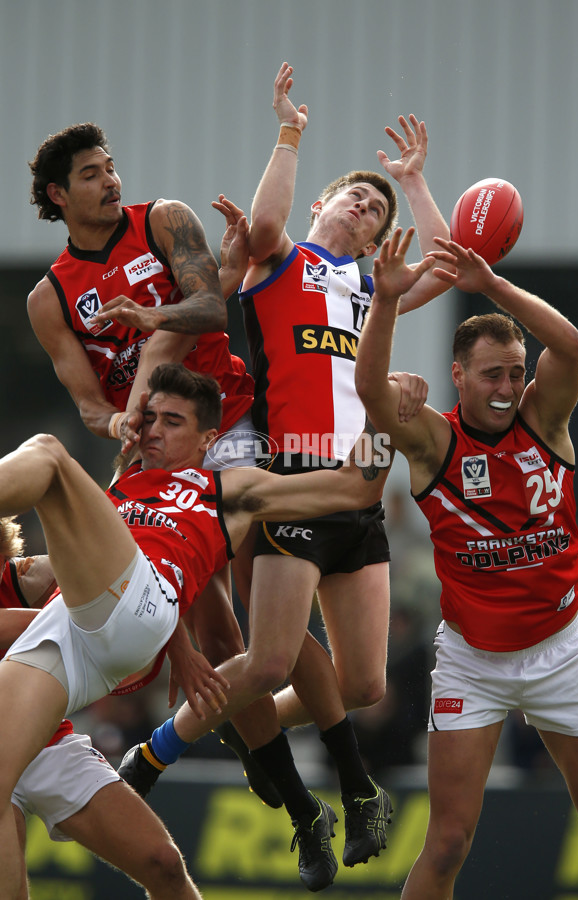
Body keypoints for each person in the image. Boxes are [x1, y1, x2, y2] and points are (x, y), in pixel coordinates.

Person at [118, 59, 449, 874]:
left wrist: (411, 182)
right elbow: (263, 228)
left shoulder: (377, 288)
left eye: (375, 208)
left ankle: (235, 718)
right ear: (321, 206)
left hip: (362, 484)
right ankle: (157, 752)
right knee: (266, 660)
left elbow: (450, 261)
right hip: (293, 475)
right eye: (355, 194)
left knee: (365, 685)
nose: (366, 206)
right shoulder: (284, 264)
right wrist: (290, 132)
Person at [0, 347, 409, 898]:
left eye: (173, 423)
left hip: (134, 611)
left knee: (49, 454)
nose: (153, 432)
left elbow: (354, 488)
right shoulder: (121, 487)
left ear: (208, 440)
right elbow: (75, 569)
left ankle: (322, 794)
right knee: (151, 859)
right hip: (75, 629)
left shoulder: (229, 489)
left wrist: (383, 415)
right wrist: (181, 651)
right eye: (149, 420)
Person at [25, 122, 281, 804]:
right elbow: (86, 402)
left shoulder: (164, 220)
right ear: (58, 194)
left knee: (248, 613)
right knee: (212, 626)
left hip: (223, 422)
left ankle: (290, 757)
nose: (110, 180)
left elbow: (208, 305)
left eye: (111, 168)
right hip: (152, 447)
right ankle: (278, 773)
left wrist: (149, 314)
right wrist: (116, 422)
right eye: (90, 174)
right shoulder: (49, 297)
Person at [354, 234, 578, 898]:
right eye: (492, 373)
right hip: (474, 662)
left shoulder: (544, 419)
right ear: (457, 375)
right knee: (448, 842)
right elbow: (370, 388)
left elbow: (570, 347)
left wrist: (490, 283)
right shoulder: (434, 441)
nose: (507, 386)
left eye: (515, 371)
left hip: (560, 652)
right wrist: (386, 300)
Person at [0, 516, 202, 900]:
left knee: (165, 864)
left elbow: (131, 570)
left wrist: (179, 646)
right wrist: (78, 622)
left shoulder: (22, 575)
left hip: (44, 741)